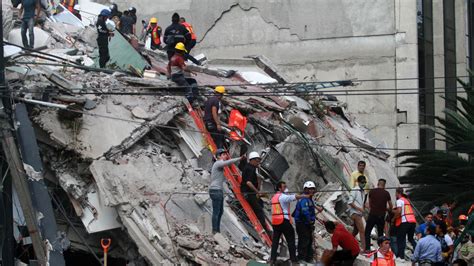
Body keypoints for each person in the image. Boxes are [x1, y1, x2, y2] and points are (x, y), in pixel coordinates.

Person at [270, 181, 310, 264]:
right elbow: (294, 197)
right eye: (284, 187)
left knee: (275, 242)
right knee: (291, 241)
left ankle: (272, 259)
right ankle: (294, 260)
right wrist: (305, 196)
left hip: (275, 222)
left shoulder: (274, 197)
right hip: (284, 221)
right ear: (279, 188)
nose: (286, 188)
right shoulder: (283, 197)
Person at [209, 149, 245, 234]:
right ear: (218, 156)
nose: (226, 156)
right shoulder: (218, 163)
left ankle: (217, 230)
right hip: (215, 190)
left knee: (220, 212)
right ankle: (215, 230)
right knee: (216, 211)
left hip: (218, 191)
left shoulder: (219, 165)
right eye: (224, 154)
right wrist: (239, 158)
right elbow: (226, 163)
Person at [293, 181, 323, 262]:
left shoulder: (309, 199)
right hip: (302, 223)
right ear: (305, 189)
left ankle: (308, 257)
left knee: (309, 240)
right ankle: (302, 258)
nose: (311, 191)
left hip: (306, 223)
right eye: (309, 189)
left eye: (313, 189)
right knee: (304, 240)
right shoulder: (304, 199)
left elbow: (312, 206)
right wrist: (310, 221)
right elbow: (305, 211)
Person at [241, 151, 270, 234]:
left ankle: (264, 225)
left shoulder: (251, 168)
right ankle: (264, 228)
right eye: (257, 161)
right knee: (259, 210)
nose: (258, 163)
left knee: (260, 204)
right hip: (248, 193)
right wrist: (257, 192)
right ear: (252, 160)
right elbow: (248, 182)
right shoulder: (250, 169)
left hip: (250, 192)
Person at [365, 178, 392, 252]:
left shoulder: (372, 191)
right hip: (381, 216)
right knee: (380, 233)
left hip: (372, 214)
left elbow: (370, 203)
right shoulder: (386, 193)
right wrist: (386, 209)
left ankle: (367, 248)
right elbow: (390, 205)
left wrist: (373, 207)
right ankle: (381, 249)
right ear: (384, 185)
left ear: (378, 184)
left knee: (367, 231)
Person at [393, 187, 417, 260]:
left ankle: (401, 257)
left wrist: (393, 218)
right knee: (411, 239)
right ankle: (417, 255)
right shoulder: (406, 200)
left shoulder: (399, 201)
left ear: (397, 193)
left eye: (395, 193)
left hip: (405, 222)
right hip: (413, 221)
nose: (395, 195)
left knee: (400, 239)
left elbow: (399, 211)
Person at [348, 175, 367, 252]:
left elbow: (362, 203)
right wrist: (359, 209)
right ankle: (364, 249)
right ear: (358, 182)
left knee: (356, 231)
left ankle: (347, 243)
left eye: (364, 182)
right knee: (362, 231)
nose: (364, 184)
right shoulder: (355, 190)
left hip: (359, 213)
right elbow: (350, 202)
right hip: (355, 213)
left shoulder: (363, 191)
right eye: (362, 182)